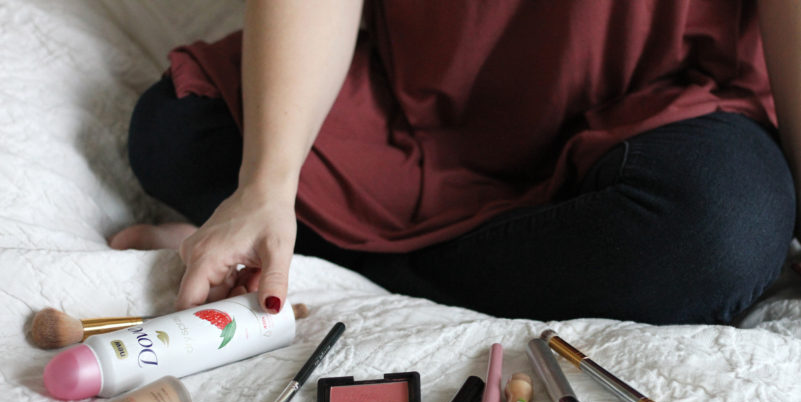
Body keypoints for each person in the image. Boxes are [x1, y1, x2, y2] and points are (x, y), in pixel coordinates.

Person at [110, 0, 801, 325]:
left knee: (720, 234)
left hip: (665, 105)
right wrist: (265, 184)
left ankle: (329, 256)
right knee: (174, 131)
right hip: (419, 112)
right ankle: (292, 234)